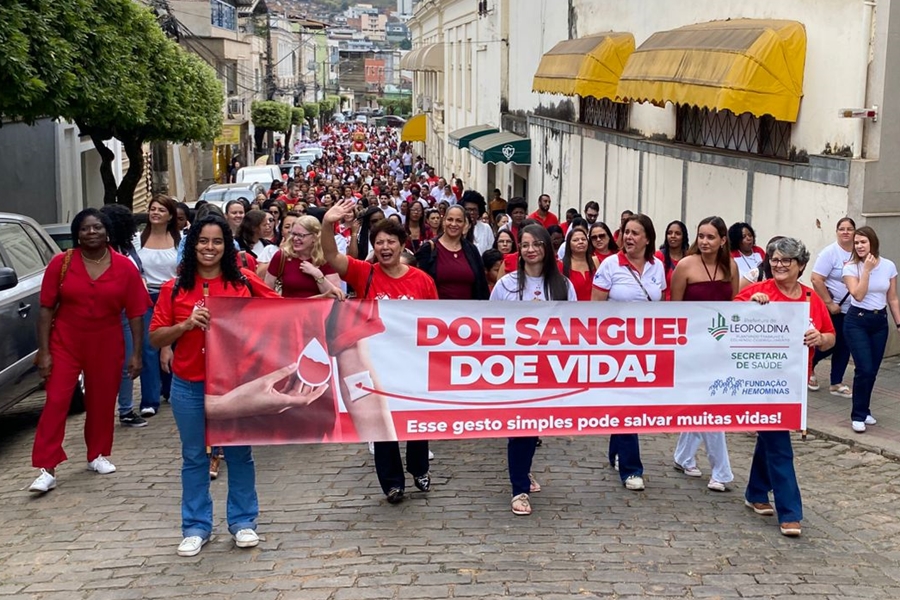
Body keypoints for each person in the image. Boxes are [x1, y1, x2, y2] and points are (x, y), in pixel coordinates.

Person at [148, 214, 281, 556]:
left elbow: (285, 312)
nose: (210, 248)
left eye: (217, 241)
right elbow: (155, 337)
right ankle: (196, 526)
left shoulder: (243, 283)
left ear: (227, 246)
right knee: (194, 457)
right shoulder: (173, 288)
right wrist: (186, 324)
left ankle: (243, 523)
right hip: (189, 384)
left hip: (234, 386)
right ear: (192, 246)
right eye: (203, 241)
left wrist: (328, 302)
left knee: (239, 454)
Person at [321, 199, 438, 504]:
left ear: (403, 246)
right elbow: (332, 256)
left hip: (413, 362)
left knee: (415, 418)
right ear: (373, 246)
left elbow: (437, 320)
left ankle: (419, 468)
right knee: (383, 423)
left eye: (391, 242)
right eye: (379, 242)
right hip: (376, 362)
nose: (385, 247)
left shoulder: (422, 280)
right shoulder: (364, 273)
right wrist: (328, 223)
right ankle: (392, 483)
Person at [28, 209, 150, 494]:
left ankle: (96, 454)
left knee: (102, 401)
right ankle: (47, 468)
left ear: (107, 231)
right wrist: (44, 351)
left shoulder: (124, 267)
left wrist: (136, 354)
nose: (91, 232)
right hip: (65, 341)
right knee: (57, 401)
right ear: (77, 233)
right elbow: (45, 309)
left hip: (107, 341)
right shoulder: (62, 262)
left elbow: (135, 313)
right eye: (85, 229)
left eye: (97, 227)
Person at [737, 237, 835, 537]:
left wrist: (819, 339)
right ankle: (790, 512)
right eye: (774, 260)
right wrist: (751, 307)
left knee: (770, 438)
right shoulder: (758, 292)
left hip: (792, 384)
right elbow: (726, 321)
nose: (778, 265)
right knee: (779, 444)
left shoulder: (809, 298)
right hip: (759, 382)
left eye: (785, 261)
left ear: (800, 265)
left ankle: (755, 493)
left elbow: (831, 336)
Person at [491, 225, 577, 515]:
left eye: (536, 244)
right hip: (514, 367)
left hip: (549, 367)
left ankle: (523, 469)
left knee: (533, 426)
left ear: (547, 249)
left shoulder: (563, 285)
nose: (530, 250)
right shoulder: (507, 285)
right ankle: (519, 490)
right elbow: (489, 323)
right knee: (520, 426)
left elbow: (575, 325)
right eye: (524, 244)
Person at [591, 214, 664, 491]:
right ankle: (632, 468)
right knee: (627, 403)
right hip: (615, 348)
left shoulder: (657, 267)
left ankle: (616, 450)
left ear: (647, 238)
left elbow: (662, 306)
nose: (629, 238)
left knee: (629, 402)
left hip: (645, 347)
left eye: (636, 233)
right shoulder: (610, 265)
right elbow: (595, 307)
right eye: (626, 233)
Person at [669, 216, 738, 492]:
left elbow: (736, 306)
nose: (705, 242)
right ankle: (722, 471)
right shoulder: (685, 266)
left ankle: (683, 455)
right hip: (691, 347)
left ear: (722, 240)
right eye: (701, 236)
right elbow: (674, 309)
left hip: (719, 346)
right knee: (711, 406)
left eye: (711, 237)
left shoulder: (729, 266)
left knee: (704, 404)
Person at [842, 226, 900, 433]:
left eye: (862, 242)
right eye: (856, 243)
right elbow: (857, 295)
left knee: (872, 370)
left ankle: (865, 410)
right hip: (857, 321)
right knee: (864, 368)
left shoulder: (889, 266)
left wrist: (899, 323)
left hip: (879, 321)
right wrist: (865, 270)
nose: (858, 246)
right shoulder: (850, 267)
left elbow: (892, 297)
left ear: (872, 243)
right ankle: (857, 415)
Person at [132, 196, 181, 419]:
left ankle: (170, 389)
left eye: (161, 210)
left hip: (174, 296)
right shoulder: (137, 239)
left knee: (176, 343)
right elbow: (132, 267)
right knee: (150, 346)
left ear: (170, 215)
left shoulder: (180, 240)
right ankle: (149, 399)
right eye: (152, 209)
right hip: (147, 296)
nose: (155, 213)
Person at [810, 217, 856, 397]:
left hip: (853, 309)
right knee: (830, 343)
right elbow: (816, 278)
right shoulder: (830, 253)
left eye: (849, 229)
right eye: (841, 229)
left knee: (845, 346)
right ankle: (810, 366)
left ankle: (836, 382)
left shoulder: (858, 252)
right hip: (834, 309)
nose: (845, 232)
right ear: (836, 232)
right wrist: (829, 303)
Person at [416, 205, 490, 300]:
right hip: (436, 311)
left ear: (464, 224)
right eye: (450, 219)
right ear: (443, 222)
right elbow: (419, 284)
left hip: (468, 312)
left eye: (459, 221)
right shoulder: (429, 249)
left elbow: (482, 285)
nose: (454, 224)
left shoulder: (472, 250)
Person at [264, 216, 344, 299]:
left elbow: (336, 295)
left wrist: (317, 275)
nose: (295, 238)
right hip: (288, 310)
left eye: (301, 235)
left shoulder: (327, 258)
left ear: (314, 237)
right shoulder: (282, 256)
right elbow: (266, 291)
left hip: (320, 311)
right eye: (293, 234)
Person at [560, 226, 598, 301]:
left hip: (595, 309)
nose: (581, 242)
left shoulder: (595, 261)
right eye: (575, 240)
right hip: (572, 310)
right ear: (568, 244)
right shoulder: (561, 265)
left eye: (583, 239)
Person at [656, 220, 689, 301]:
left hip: (684, 308)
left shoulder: (689, 258)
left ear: (683, 237)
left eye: (677, 233)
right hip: (662, 308)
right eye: (669, 233)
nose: (672, 236)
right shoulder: (658, 256)